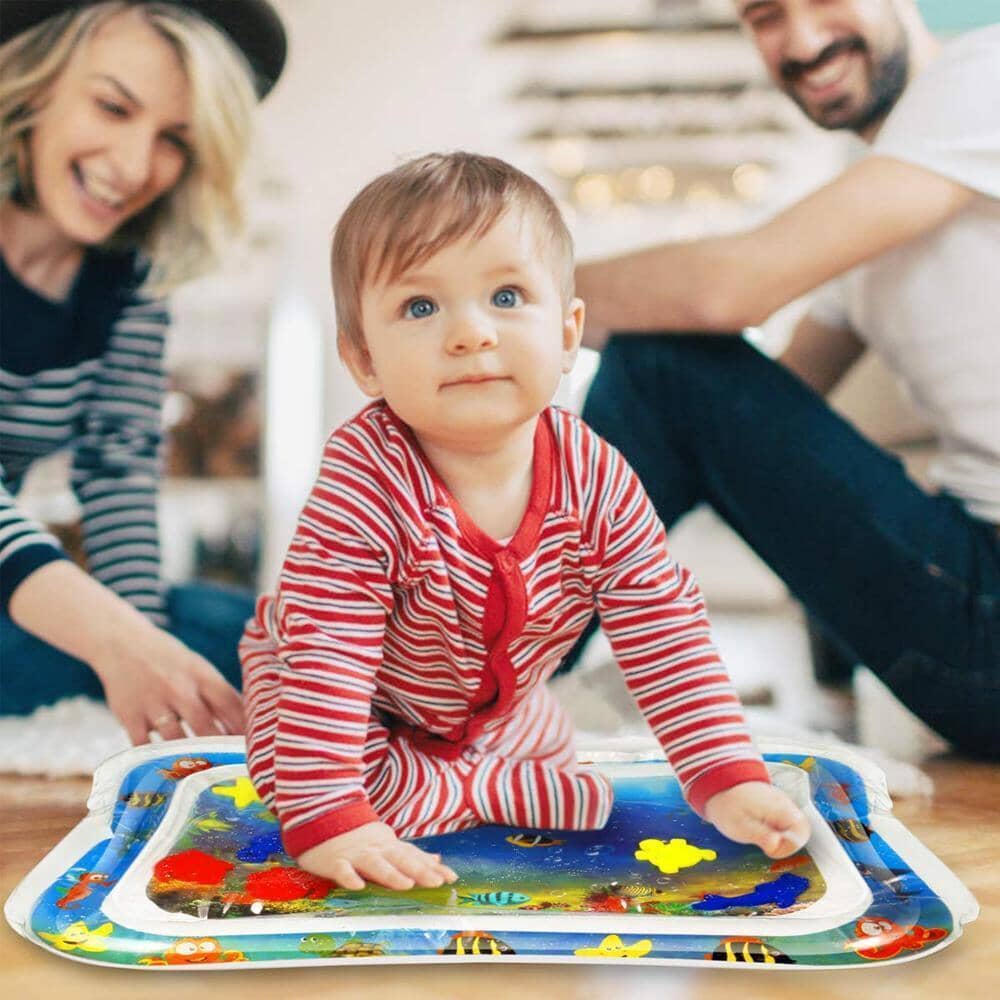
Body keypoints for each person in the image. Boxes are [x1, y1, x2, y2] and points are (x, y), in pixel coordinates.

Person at [240, 152, 810, 893]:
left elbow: (662, 626)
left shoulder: (597, 475)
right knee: (300, 785)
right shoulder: (364, 477)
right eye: (421, 307)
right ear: (365, 361)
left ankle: (475, 775)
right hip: (342, 696)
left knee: (552, 742)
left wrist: (724, 774)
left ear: (570, 333)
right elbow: (330, 652)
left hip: (490, 709)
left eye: (507, 296)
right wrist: (327, 811)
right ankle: (480, 788)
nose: (472, 333)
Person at [569, 0, 1000, 757]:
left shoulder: (984, 73)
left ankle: (488, 692)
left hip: (987, 604)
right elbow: (763, 408)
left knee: (658, 366)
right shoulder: (873, 182)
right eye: (765, 15)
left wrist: (491, 291)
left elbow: (727, 294)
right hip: (971, 593)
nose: (800, 40)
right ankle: (488, 671)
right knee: (666, 375)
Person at [0, 1, 287, 745]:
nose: (134, 167)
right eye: (111, 107)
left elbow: (117, 468)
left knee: (241, 632)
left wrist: (149, 667)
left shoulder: (132, 283)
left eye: (172, 141)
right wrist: (113, 641)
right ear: (35, 86)